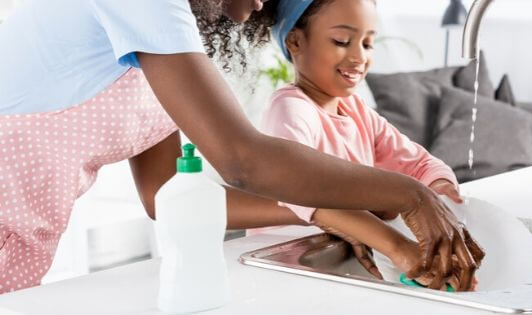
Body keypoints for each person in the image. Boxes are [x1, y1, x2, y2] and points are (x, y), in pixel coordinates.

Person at [0, 0, 479, 293]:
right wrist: (407, 197)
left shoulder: (163, 43)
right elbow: (241, 158)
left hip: (22, 243)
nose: (266, 8)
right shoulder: (147, 5)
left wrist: (325, 212)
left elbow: (163, 195)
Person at [238, 0, 483, 290]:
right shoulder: (290, 109)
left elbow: (421, 165)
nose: (358, 56)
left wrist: (442, 199)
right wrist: (399, 248)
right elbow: (300, 191)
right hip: (283, 270)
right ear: (295, 41)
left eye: (368, 44)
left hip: (335, 267)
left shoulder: (356, 112)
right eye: (342, 41)